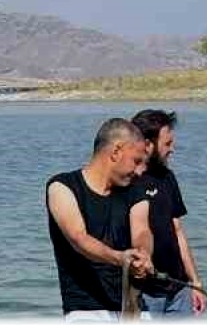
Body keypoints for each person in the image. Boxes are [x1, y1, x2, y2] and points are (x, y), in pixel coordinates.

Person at [47, 118, 155, 321]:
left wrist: (144, 255)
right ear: (116, 152)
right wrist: (120, 258)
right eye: (136, 161)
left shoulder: (135, 188)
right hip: (85, 308)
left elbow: (142, 230)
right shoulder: (62, 186)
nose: (140, 170)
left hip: (133, 305)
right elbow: (79, 238)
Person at [129, 109, 207, 318]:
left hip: (179, 290)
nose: (172, 149)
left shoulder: (167, 177)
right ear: (146, 144)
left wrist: (195, 283)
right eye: (167, 143)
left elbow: (178, 230)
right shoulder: (125, 183)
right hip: (144, 294)